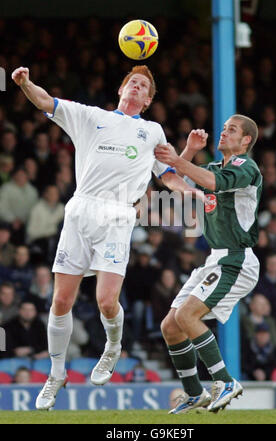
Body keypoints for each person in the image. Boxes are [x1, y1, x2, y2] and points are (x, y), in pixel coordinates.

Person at [11, 64, 205, 411]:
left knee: (105, 301)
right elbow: (44, 101)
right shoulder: (89, 117)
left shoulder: (153, 131)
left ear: (147, 100)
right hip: (81, 211)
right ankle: (56, 375)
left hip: (118, 215)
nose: (136, 86)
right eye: (132, 81)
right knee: (60, 302)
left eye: (143, 85)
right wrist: (25, 82)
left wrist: (192, 193)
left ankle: (113, 347)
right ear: (121, 90)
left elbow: (170, 177)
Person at [155, 114, 262, 413]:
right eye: (224, 128)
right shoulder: (212, 167)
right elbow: (169, 181)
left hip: (237, 259)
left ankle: (226, 381)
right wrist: (187, 152)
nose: (224, 133)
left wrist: (179, 159)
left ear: (245, 141)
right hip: (215, 259)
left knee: (188, 316)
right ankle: (194, 393)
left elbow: (211, 182)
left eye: (232, 130)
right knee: (171, 326)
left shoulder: (247, 168)